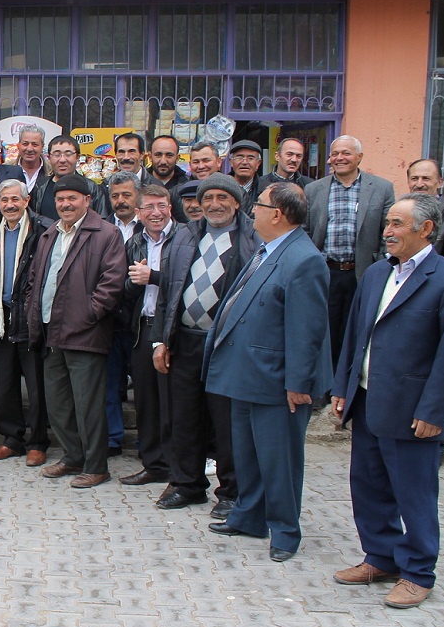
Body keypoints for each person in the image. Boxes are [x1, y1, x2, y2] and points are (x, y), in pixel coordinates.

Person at [331, 194, 444, 608]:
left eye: (399, 224)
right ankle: (381, 557)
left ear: (426, 229)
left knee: (414, 492)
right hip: (367, 401)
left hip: (412, 410)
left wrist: (434, 411)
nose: (388, 231)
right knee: (368, 486)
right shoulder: (376, 275)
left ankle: (419, 572)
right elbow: (355, 334)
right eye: (387, 223)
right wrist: (343, 388)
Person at [205, 182, 331, 562]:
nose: (250, 211)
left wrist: (299, 384)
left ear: (277, 214)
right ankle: (249, 516)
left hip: (277, 380)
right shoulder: (267, 248)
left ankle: (285, 530)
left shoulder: (304, 260)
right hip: (247, 373)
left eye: (257, 205)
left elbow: (307, 331)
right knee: (247, 453)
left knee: (280, 459)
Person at [151, 174, 257, 515]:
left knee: (226, 423)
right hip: (185, 342)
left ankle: (231, 492)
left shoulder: (252, 238)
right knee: (183, 417)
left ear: (236, 203)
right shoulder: (185, 236)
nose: (214, 204)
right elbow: (168, 290)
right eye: (207, 197)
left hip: (226, 346)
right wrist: (160, 341)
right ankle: (188, 484)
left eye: (222, 198)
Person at [25, 174, 127, 487]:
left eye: (72, 199)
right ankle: (72, 457)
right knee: (57, 404)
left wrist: (90, 313)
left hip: (85, 333)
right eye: (60, 199)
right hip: (50, 330)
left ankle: (96, 466)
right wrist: (33, 308)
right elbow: (35, 280)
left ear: (87, 200)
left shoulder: (106, 233)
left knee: (88, 405)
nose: (65, 204)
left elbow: (112, 283)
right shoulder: (49, 234)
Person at [305, 135, 396, 367]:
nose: (339, 158)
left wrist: (382, 267)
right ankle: (324, 386)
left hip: (363, 272)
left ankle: (345, 385)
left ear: (359, 157)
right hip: (326, 272)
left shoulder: (382, 188)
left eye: (345, 153)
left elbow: (389, 230)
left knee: (354, 329)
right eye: (335, 154)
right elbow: (304, 230)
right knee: (324, 330)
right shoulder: (314, 189)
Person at [0, 179, 51, 465]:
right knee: (5, 383)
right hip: (1, 318)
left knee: (36, 385)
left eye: (15, 199)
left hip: (30, 318)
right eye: (4, 200)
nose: (9, 205)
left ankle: (38, 441)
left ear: (27, 201)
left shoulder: (44, 231)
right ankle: (12, 439)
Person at [119, 184, 180, 489]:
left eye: (162, 205)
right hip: (143, 327)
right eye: (149, 208)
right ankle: (154, 464)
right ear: (139, 213)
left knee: (174, 401)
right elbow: (126, 291)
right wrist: (135, 282)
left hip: (173, 329)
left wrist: (152, 277)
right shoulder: (134, 243)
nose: (156, 213)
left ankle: (178, 467)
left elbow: (189, 282)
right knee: (145, 400)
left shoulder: (184, 238)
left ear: (170, 207)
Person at [103, 170, 141, 455]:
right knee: (109, 383)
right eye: (115, 195)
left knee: (143, 387)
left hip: (142, 319)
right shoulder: (103, 227)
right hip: (111, 318)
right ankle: (113, 438)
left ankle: (147, 439)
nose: (121, 201)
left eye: (126, 195)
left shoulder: (152, 225)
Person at [37, 135, 107, 219]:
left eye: (68, 154)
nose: (62, 160)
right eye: (57, 154)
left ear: (77, 157)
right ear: (48, 158)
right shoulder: (40, 187)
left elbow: (102, 221)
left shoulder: (91, 187)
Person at [405, 158, 444, 260]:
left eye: (426, 178)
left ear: (440, 182)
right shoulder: (400, 211)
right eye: (414, 178)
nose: (419, 184)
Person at [14, 126, 52, 214]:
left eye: (35, 144)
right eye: (25, 144)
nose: (29, 149)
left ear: (42, 147)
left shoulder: (52, 172)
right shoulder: (5, 170)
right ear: (18, 145)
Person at [227, 140, 263, 213]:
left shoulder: (266, 190)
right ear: (231, 162)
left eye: (250, 158)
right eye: (239, 157)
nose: (244, 162)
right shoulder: (222, 187)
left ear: (258, 164)